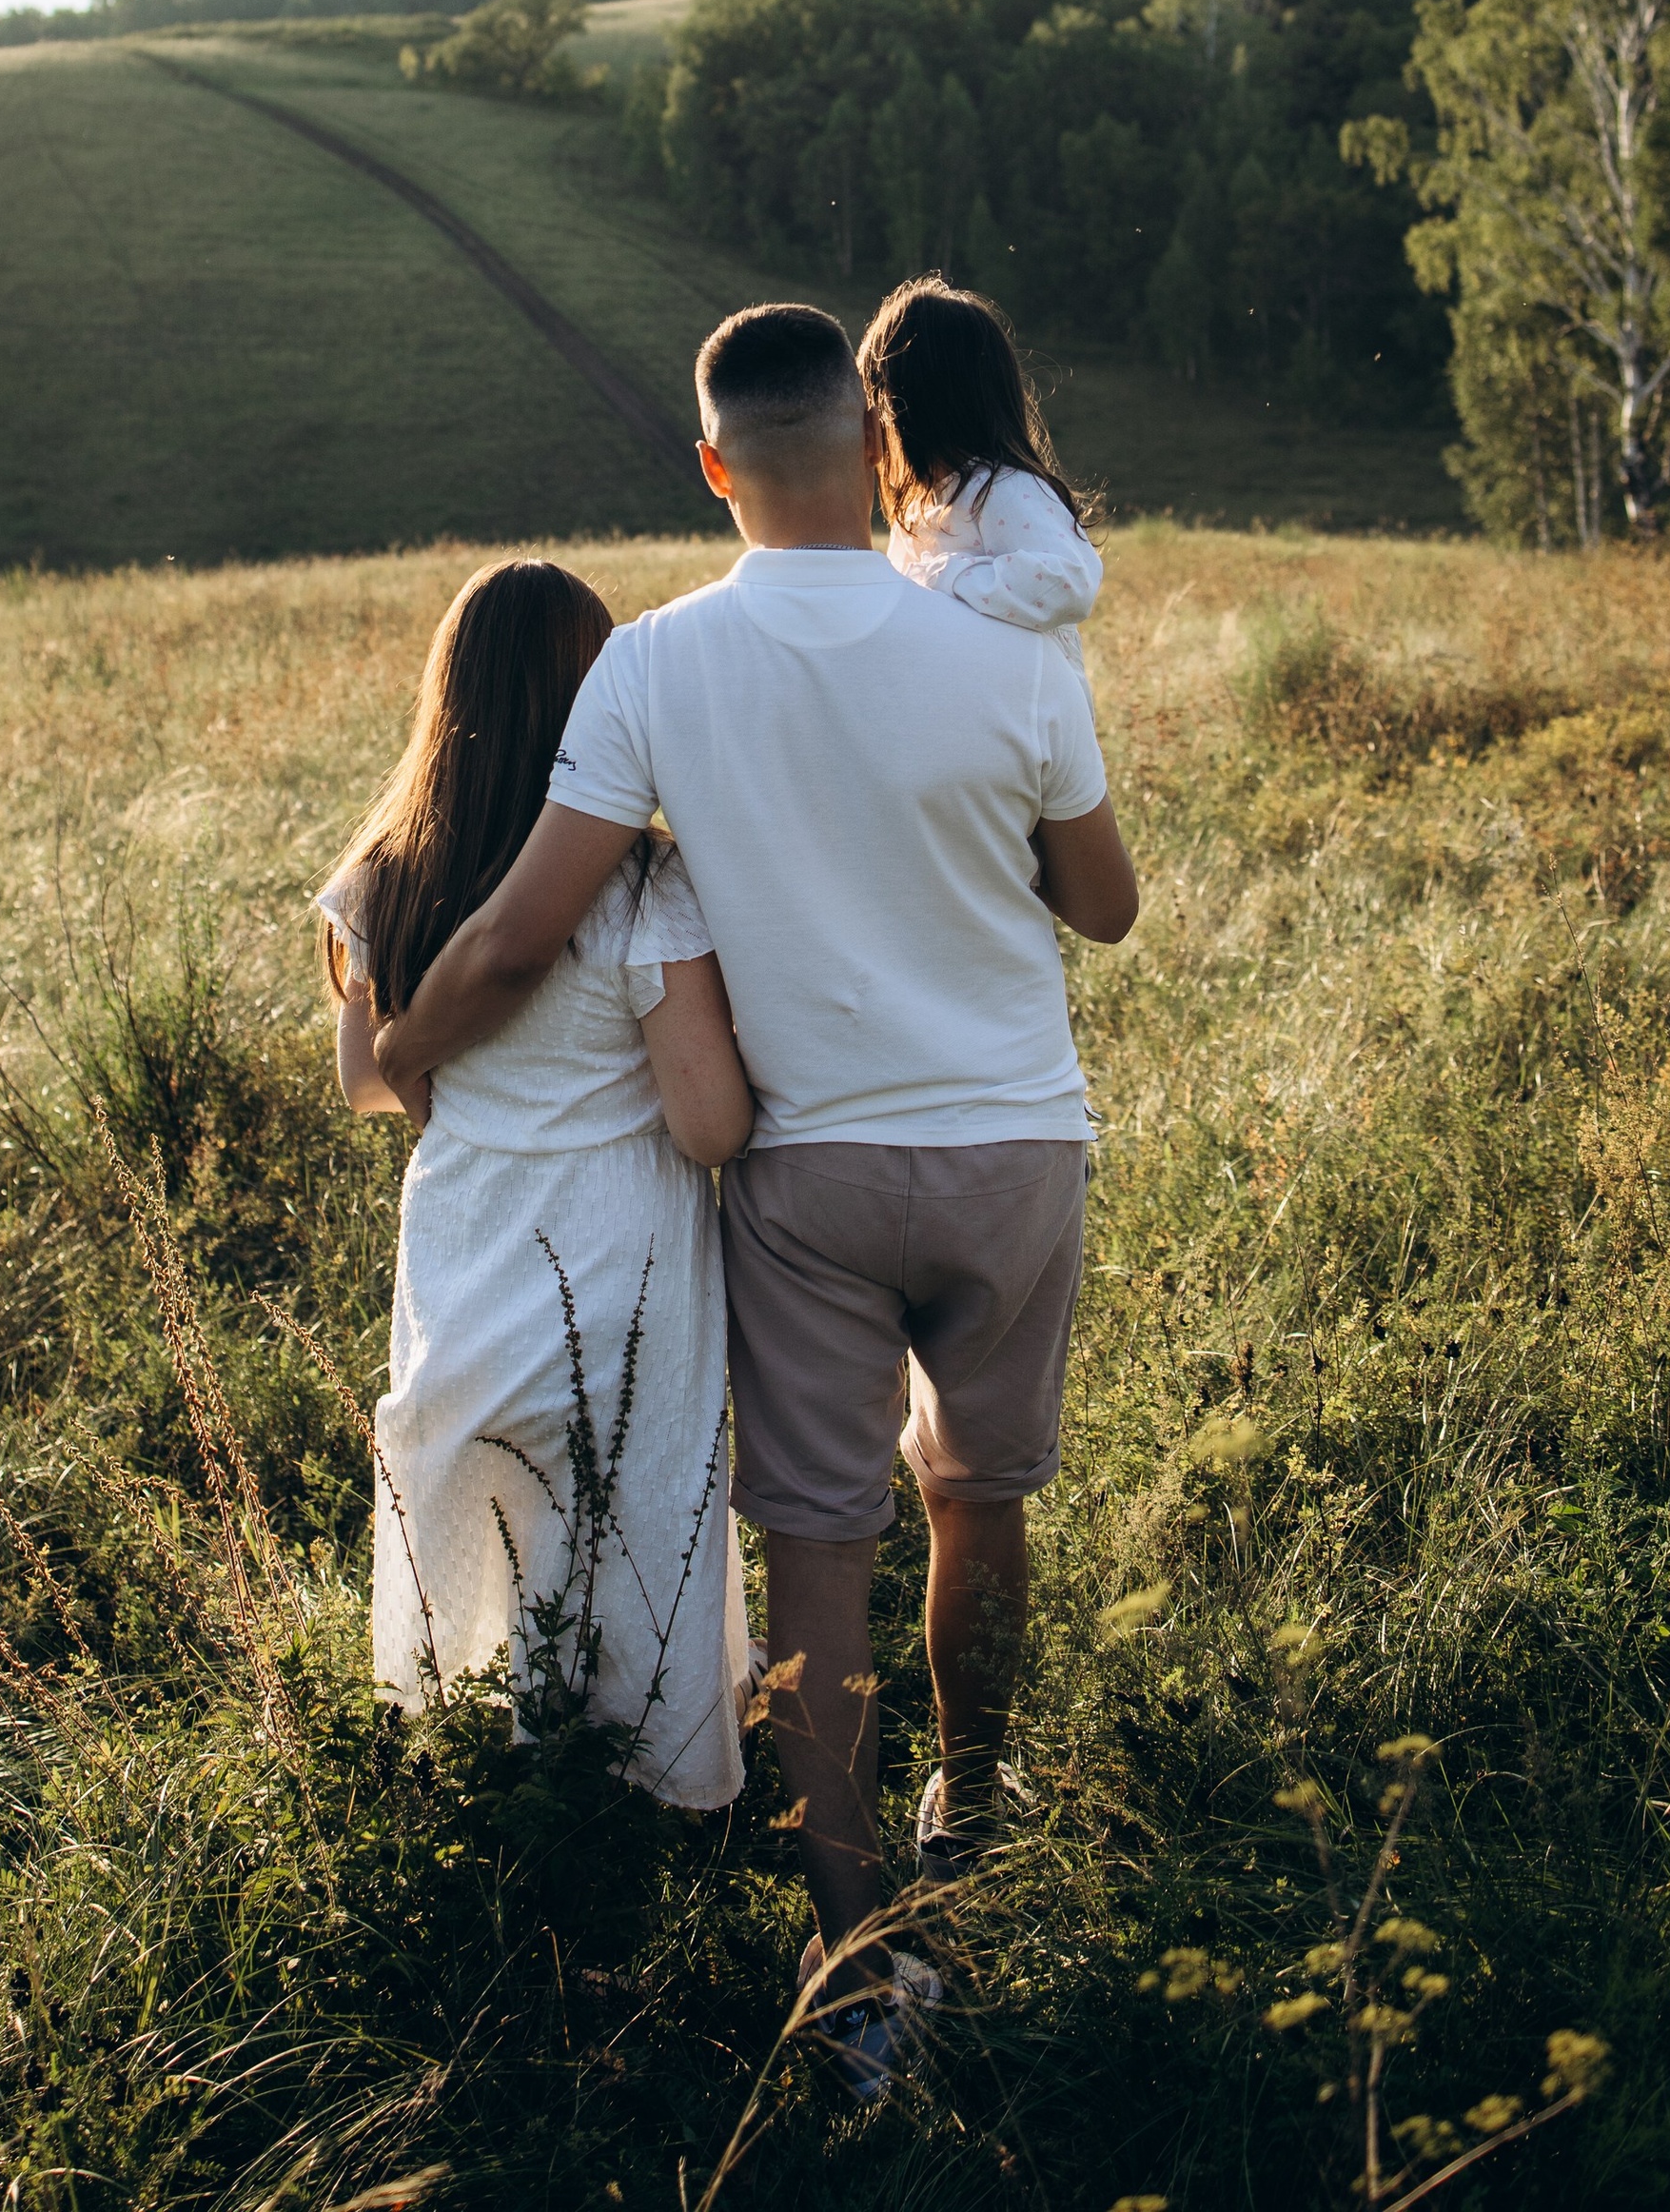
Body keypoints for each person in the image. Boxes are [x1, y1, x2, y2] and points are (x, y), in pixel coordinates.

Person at [376, 309, 1138, 2104]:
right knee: (983, 1499)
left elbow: (522, 929)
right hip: (1016, 1145)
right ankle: (980, 1796)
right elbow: (1103, 906)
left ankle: (860, 1967)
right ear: (875, 447)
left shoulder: (651, 669)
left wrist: (409, 1052)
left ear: (712, 466)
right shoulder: (1010, 647)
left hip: (807, 1178)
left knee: (818, 1549)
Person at [319, 557, 756, 1811]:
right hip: (625, 1242)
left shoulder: (379, 877)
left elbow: (367, 1085)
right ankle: (655, 1776)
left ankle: (462, 1745)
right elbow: (711, 1123)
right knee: (638, 1499)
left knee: (472, 1482)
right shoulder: (643, 888)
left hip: (468, 1227)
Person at [858, 274, 1102, 669]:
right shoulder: (919, 511)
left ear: (902, 403)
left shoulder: (1004, 489)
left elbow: (1071, 582)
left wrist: (946, 576)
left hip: (1031, 719)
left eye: (872, 401)